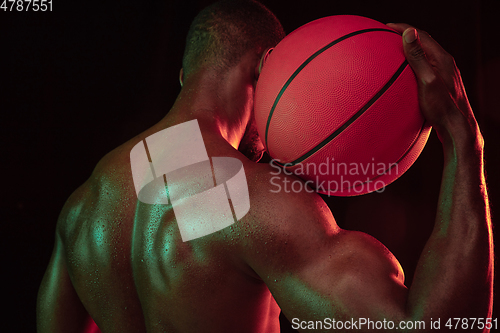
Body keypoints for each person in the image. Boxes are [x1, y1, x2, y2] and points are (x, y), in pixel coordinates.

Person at [37, 0, 493, 332]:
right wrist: (462, 138)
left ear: (184, 76)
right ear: (266, 67)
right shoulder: (257, 201)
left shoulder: (83, 209)